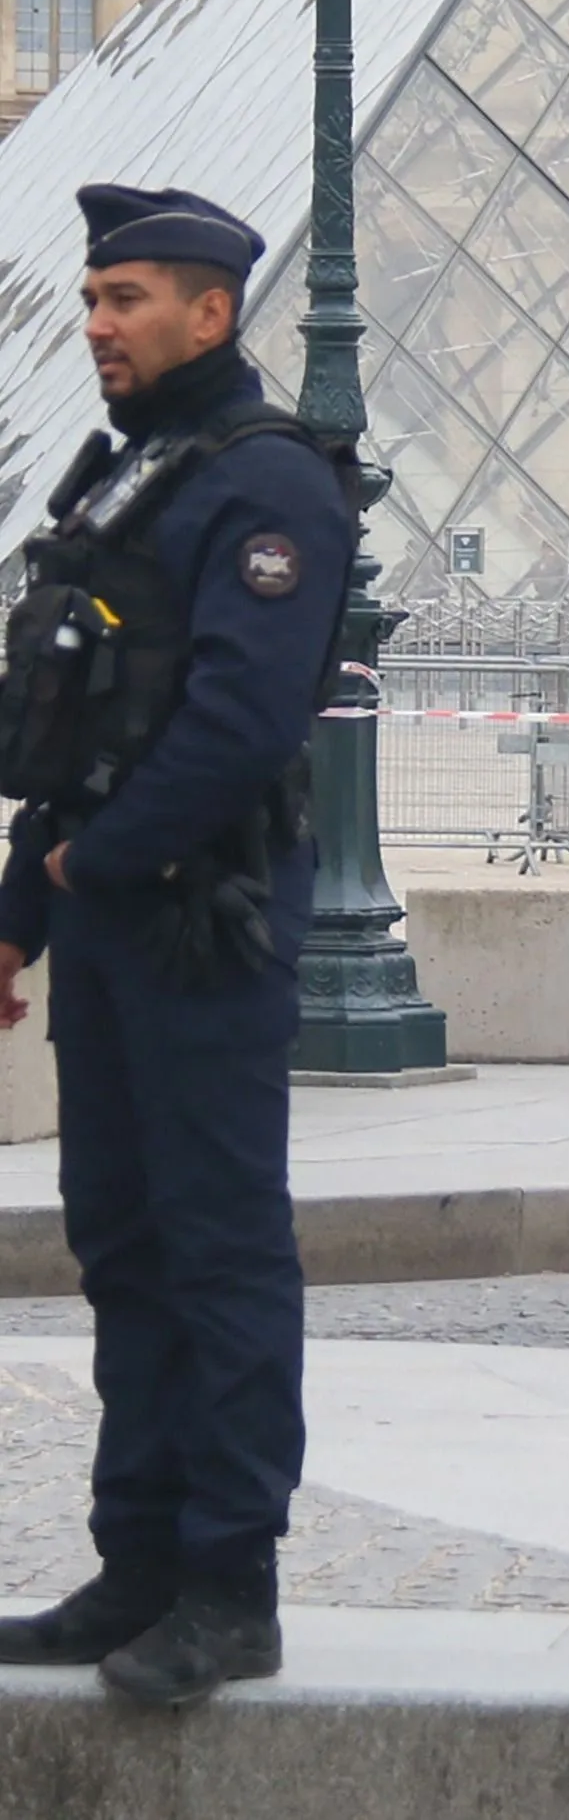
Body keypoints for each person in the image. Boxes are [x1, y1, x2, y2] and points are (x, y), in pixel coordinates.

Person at [0, 186, 355, 1707]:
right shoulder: (128, 477)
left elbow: (238, 722)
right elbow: (72, 723)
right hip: (105, 913)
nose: (98, 326)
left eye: (126, 298)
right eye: (88, 300)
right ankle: (138, 1556)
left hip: (197, 922)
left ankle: (231, 1579)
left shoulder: (262, 484)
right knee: (124, 1249)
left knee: (213, 1250)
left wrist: (97, 857)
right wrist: (24, 904)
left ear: (212, 312)